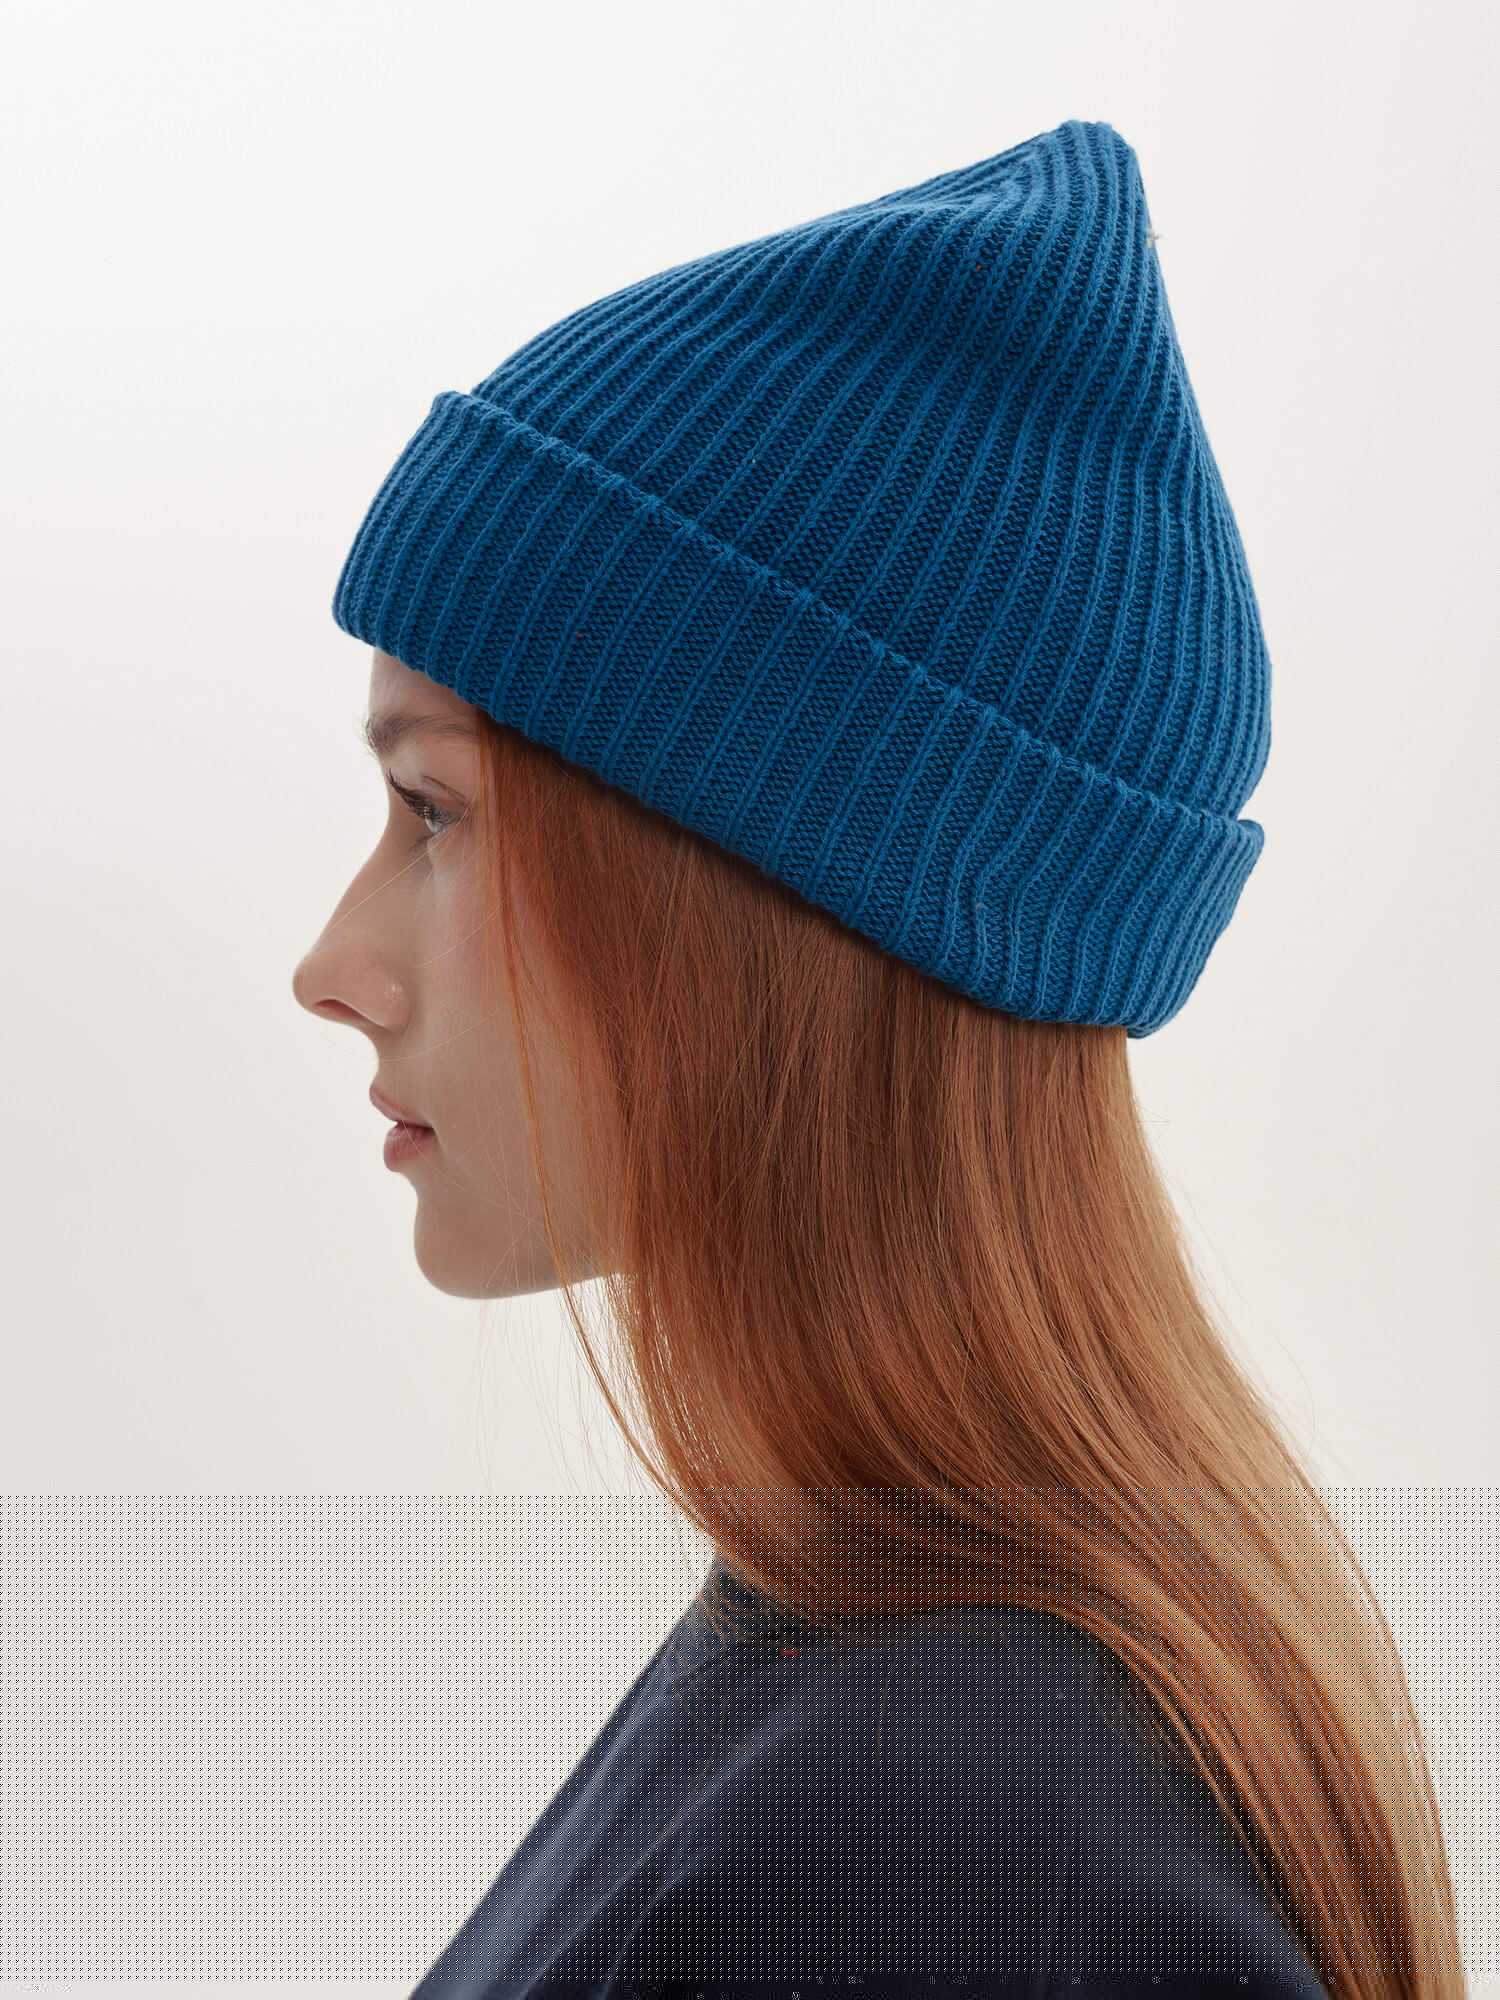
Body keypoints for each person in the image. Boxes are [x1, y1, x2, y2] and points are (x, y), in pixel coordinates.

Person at [292, 119, 1466, 1998]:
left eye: (434, 810)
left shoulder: (944, 1832)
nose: (331, 969)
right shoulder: (868, 1695)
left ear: (769, 890)